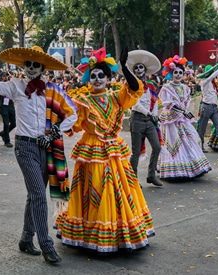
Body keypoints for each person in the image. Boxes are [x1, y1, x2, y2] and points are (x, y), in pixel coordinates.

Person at [0, 37, 78, 264]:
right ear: (23, 66)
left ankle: (26, 239)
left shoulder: (53, 90)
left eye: (35, 65)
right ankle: (46, 245)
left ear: (42, 68)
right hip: (25, 146)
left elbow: (73, 113)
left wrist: (55, 131)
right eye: (27, 63)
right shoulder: (16, 85)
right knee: (39, 194)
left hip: (45, 146)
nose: (30, 68)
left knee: (33, 195)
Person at [55, 47, 155, 255]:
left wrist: (125, 69)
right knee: (97, 189)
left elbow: (136, 88)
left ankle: (118, 232)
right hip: (91, 151)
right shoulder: (82, 101)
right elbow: (71, 122)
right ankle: (92, 233)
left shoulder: (116, 98)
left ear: (109, 78)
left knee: (118, 189)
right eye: (93, 76)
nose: (97, 79)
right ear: (88, 79)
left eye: (102, 75)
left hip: (114, 151)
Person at [158, 55, 212, 180]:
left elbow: (186, 102)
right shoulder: (166, 88)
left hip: (182, 119)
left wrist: (184, 111)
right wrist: (183, 111)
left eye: (180, 73)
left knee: (190, 140)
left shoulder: (185, 88)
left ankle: (193, 167)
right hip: (171, 120)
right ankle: (175, 170)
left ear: (183, 74)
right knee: (174, 143)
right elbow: (168, 104)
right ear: (171, 73)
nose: (177, 75)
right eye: (175, 72)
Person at [123, 50, 163, 187]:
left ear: (145, 69)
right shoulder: (131, 84)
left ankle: (151, 175)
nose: (139, 69)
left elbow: (155, 100)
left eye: (141, 67)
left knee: (157, 147)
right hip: (138, 119)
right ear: (134, 71)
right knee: (136, 152)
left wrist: (155, 114)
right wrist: (148, 113)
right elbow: (135, 103)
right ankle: (133, 180)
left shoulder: (151, 84)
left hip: (150, 120)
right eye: (136, 68)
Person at [196, 62, 218, 152]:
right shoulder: (205, 82)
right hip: (206, 107)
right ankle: (200, 146)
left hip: (214, 108)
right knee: (202, 128)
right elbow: (211, 76)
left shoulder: (214, 84)